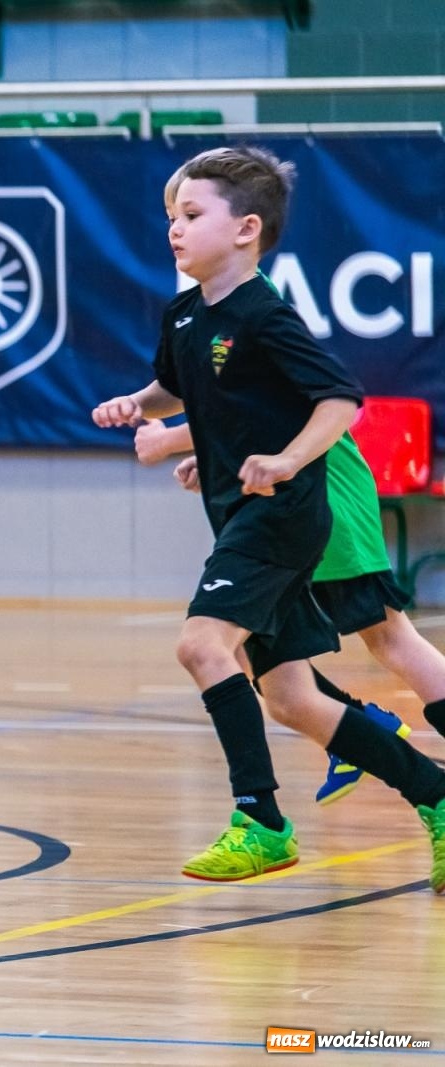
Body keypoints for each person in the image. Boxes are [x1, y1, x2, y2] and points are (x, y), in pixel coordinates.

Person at [91, 146, 445, 889]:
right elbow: (179, 388)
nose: (174, 231)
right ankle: (436, 794)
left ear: (247, 228)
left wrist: (285, 461)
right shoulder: (186, 315)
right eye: (169, 218)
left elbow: (340, 397)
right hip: (237, 513)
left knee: (201, 645)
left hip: (280, 518)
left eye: (191, 216)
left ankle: (262, 821)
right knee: (290, 697)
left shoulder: (264, 314)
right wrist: (139, 404)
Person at [138, 418, 445, 805]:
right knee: (242, 648)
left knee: (388, 637)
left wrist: (168, 439)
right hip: (281, 514)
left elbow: (284, 411)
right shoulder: (222, 366)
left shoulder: (259, 359)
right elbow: (249, 419)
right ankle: (354, 725)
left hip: (319, 496)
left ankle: (351, 733)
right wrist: (215, 457)